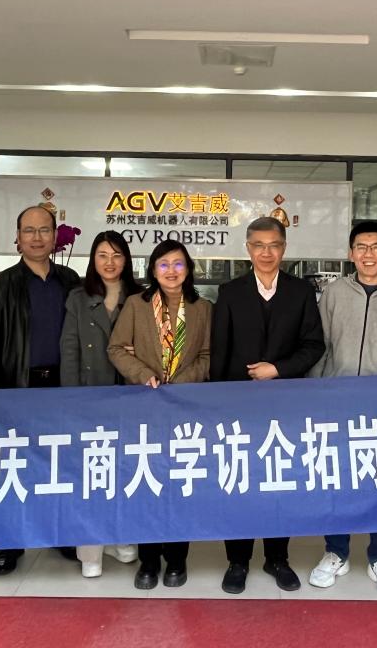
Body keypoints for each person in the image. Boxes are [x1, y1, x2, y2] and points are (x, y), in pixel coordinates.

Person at [211, 216, 325, 595]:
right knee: (239, 482)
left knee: (281, 482)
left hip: (285, 404)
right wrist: (220, 404)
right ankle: (237, 560)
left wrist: (278, 369)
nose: (266, 252)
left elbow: (314, 345)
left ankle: (277, 558)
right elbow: (220, 352)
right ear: (248, 249)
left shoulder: (301, 292)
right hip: (238, 407)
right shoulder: (230, 292)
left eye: (273, 245)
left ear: (284, 249)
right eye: (258, 245)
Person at [308, 221, 377, 599]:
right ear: (350, 253)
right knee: (338, 480)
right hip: (337, 403)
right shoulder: (335, 293)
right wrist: (316, 394)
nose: (368, 254)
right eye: (361, 247)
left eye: (376, 247)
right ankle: (336, 552)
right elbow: (320, 345)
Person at [0, 205, 80, 575]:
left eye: (44, 230)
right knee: (14, 464)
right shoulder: (2, 284)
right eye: (29, 230)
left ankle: (61, 533)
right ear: (18, 237)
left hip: (62, 387)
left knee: (60, 462)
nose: (37, 238)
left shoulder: (69, 280)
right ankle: (11, 541)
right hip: (19, 386)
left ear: (55, 236)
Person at [108, 240, 212, 590]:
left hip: (184, 408)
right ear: (153, 270)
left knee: (180, 484)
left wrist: (181, 382)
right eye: (163, 264)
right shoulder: (136, 305)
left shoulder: (202, 308)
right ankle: (149, 560)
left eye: (178, 264)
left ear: (188, 269)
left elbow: (209, 355)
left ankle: (177, 559)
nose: (171, 271)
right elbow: (116, 348)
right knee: (147, 482)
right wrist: (142, 374)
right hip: (145, 406)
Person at [60, 230, 141, 577]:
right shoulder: (78, 298)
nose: (110, 262)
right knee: (92, 474)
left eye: (117, 255)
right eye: (103, 255)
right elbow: (70, 349)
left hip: (130, 394)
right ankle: (90, 551)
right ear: (93, 260)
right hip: (89, 395)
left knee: (128, 471)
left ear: (126, 260)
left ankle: (123, 538)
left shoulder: (140, 296)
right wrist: (72, 398)